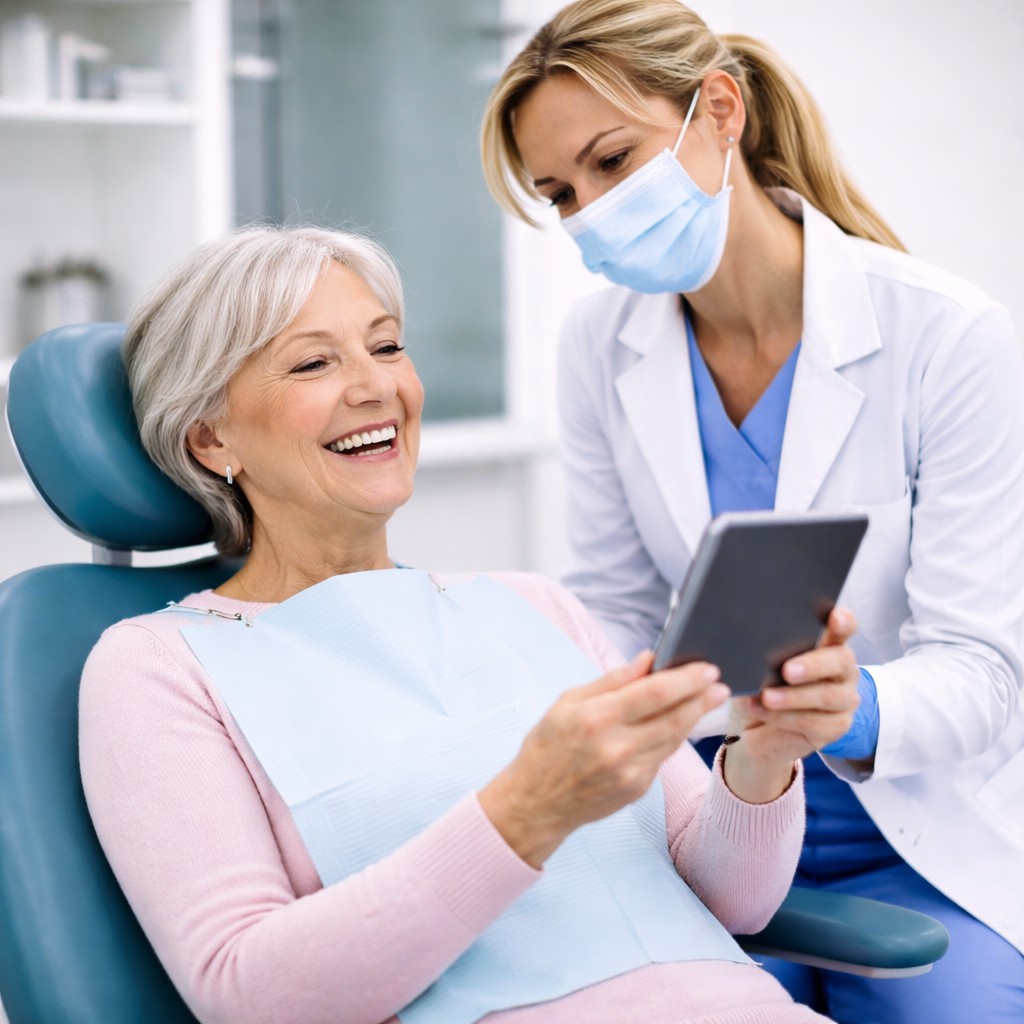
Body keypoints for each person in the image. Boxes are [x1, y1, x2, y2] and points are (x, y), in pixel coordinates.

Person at [79, 225, 862, 1024]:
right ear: (211, 439)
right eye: (314, 362)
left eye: (385, 347)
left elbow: (731, 902)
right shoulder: (159, 668)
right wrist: (528, 808)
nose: (375, 386)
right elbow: (245, 993)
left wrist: (759, 756)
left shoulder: (533, 606)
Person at [479, 2, 1024, 1022]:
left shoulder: (947, 337)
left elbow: (984, 670)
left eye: (611, 161)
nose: (590, 212)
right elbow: (614, 616)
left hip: (923, 838)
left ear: (717, 111)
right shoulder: (598, 346)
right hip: (702, 832)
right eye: (559, 193)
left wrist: (851, 707)